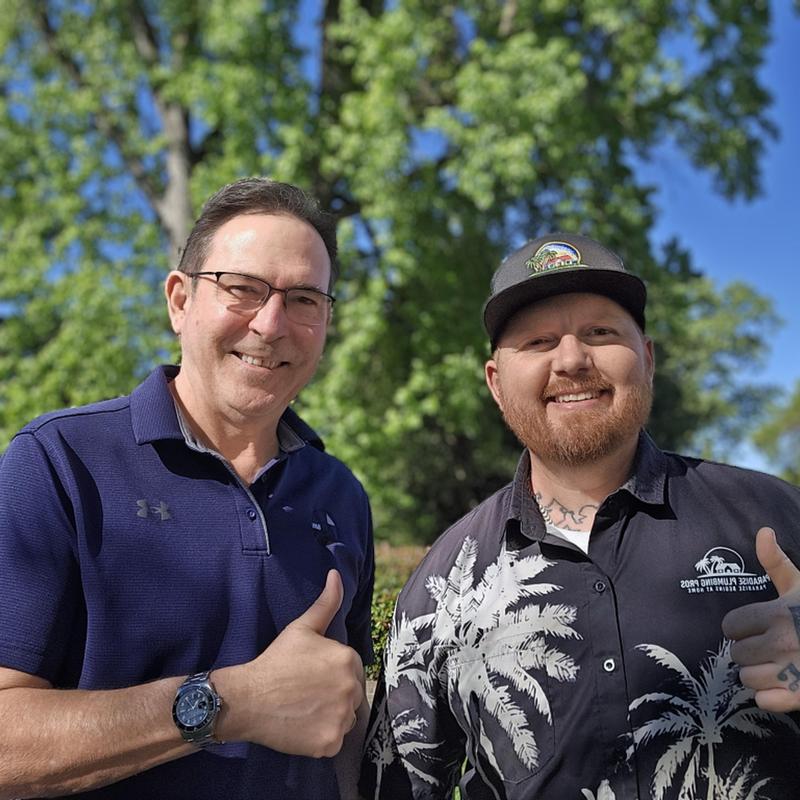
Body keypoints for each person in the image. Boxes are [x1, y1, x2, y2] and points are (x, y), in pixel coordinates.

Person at [359, 233, 800, 799]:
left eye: (600, 332)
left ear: (647, 357)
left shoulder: (777, 521)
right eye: (539, 341)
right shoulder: (441, 587)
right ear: (496, 382)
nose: (571, 359)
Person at [0, 178, 374, 799]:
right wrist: (230, 703)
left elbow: (341, 717)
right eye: (243, 289)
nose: (272, 323)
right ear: (180, 301)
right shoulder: (59, 463)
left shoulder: (339, 494)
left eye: (304, 299)